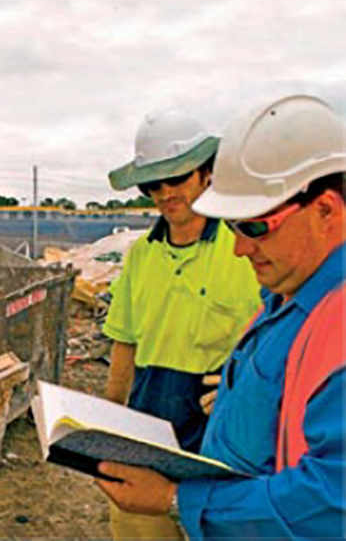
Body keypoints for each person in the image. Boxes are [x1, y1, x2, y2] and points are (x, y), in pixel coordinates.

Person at [97, 94, 346, 540]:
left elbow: (332, 499)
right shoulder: (287, 292)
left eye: (254, 226)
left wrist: (177, 501)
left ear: (325, 209)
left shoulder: (329, 315)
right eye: (232, 228)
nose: (239, 248)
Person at [103, 110, 261, 539]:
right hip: (148, 439)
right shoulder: (140, 256)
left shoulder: (247, 249)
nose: (165, 192)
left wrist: (241, 383)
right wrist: (107, 427)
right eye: (154, 184)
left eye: (177, 178)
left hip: (224, 448)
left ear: (206, 173)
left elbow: (284, 337)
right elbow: (124, 345)